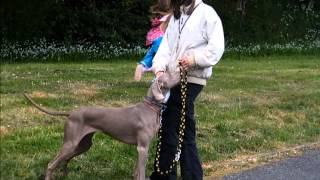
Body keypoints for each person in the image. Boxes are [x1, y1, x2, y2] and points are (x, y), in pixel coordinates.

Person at [150, 0, 225, 179]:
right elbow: (166, 47)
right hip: (171, 77)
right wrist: (159, 67)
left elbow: (216, 47)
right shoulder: (178, 15)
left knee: (170, 124)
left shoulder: (207, 13)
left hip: (192, 78)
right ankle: (191, 175)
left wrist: (194, 59)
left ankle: (162, 176)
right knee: (184, 129)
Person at [134, 0, 171, 81]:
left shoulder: (158, 17)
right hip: (161, 40)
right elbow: (165, 30)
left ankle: (142, 66)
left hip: (154, 39)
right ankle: (158, 77)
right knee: (163, 60)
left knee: (151, 56)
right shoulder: (169, 17)